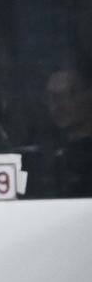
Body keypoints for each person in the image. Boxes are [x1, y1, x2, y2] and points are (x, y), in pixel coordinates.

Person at [28, 56, 92, 199]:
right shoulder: (40, 153)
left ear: (89, 95)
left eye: (69, 95)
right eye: (51, 97)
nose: (58, 106)